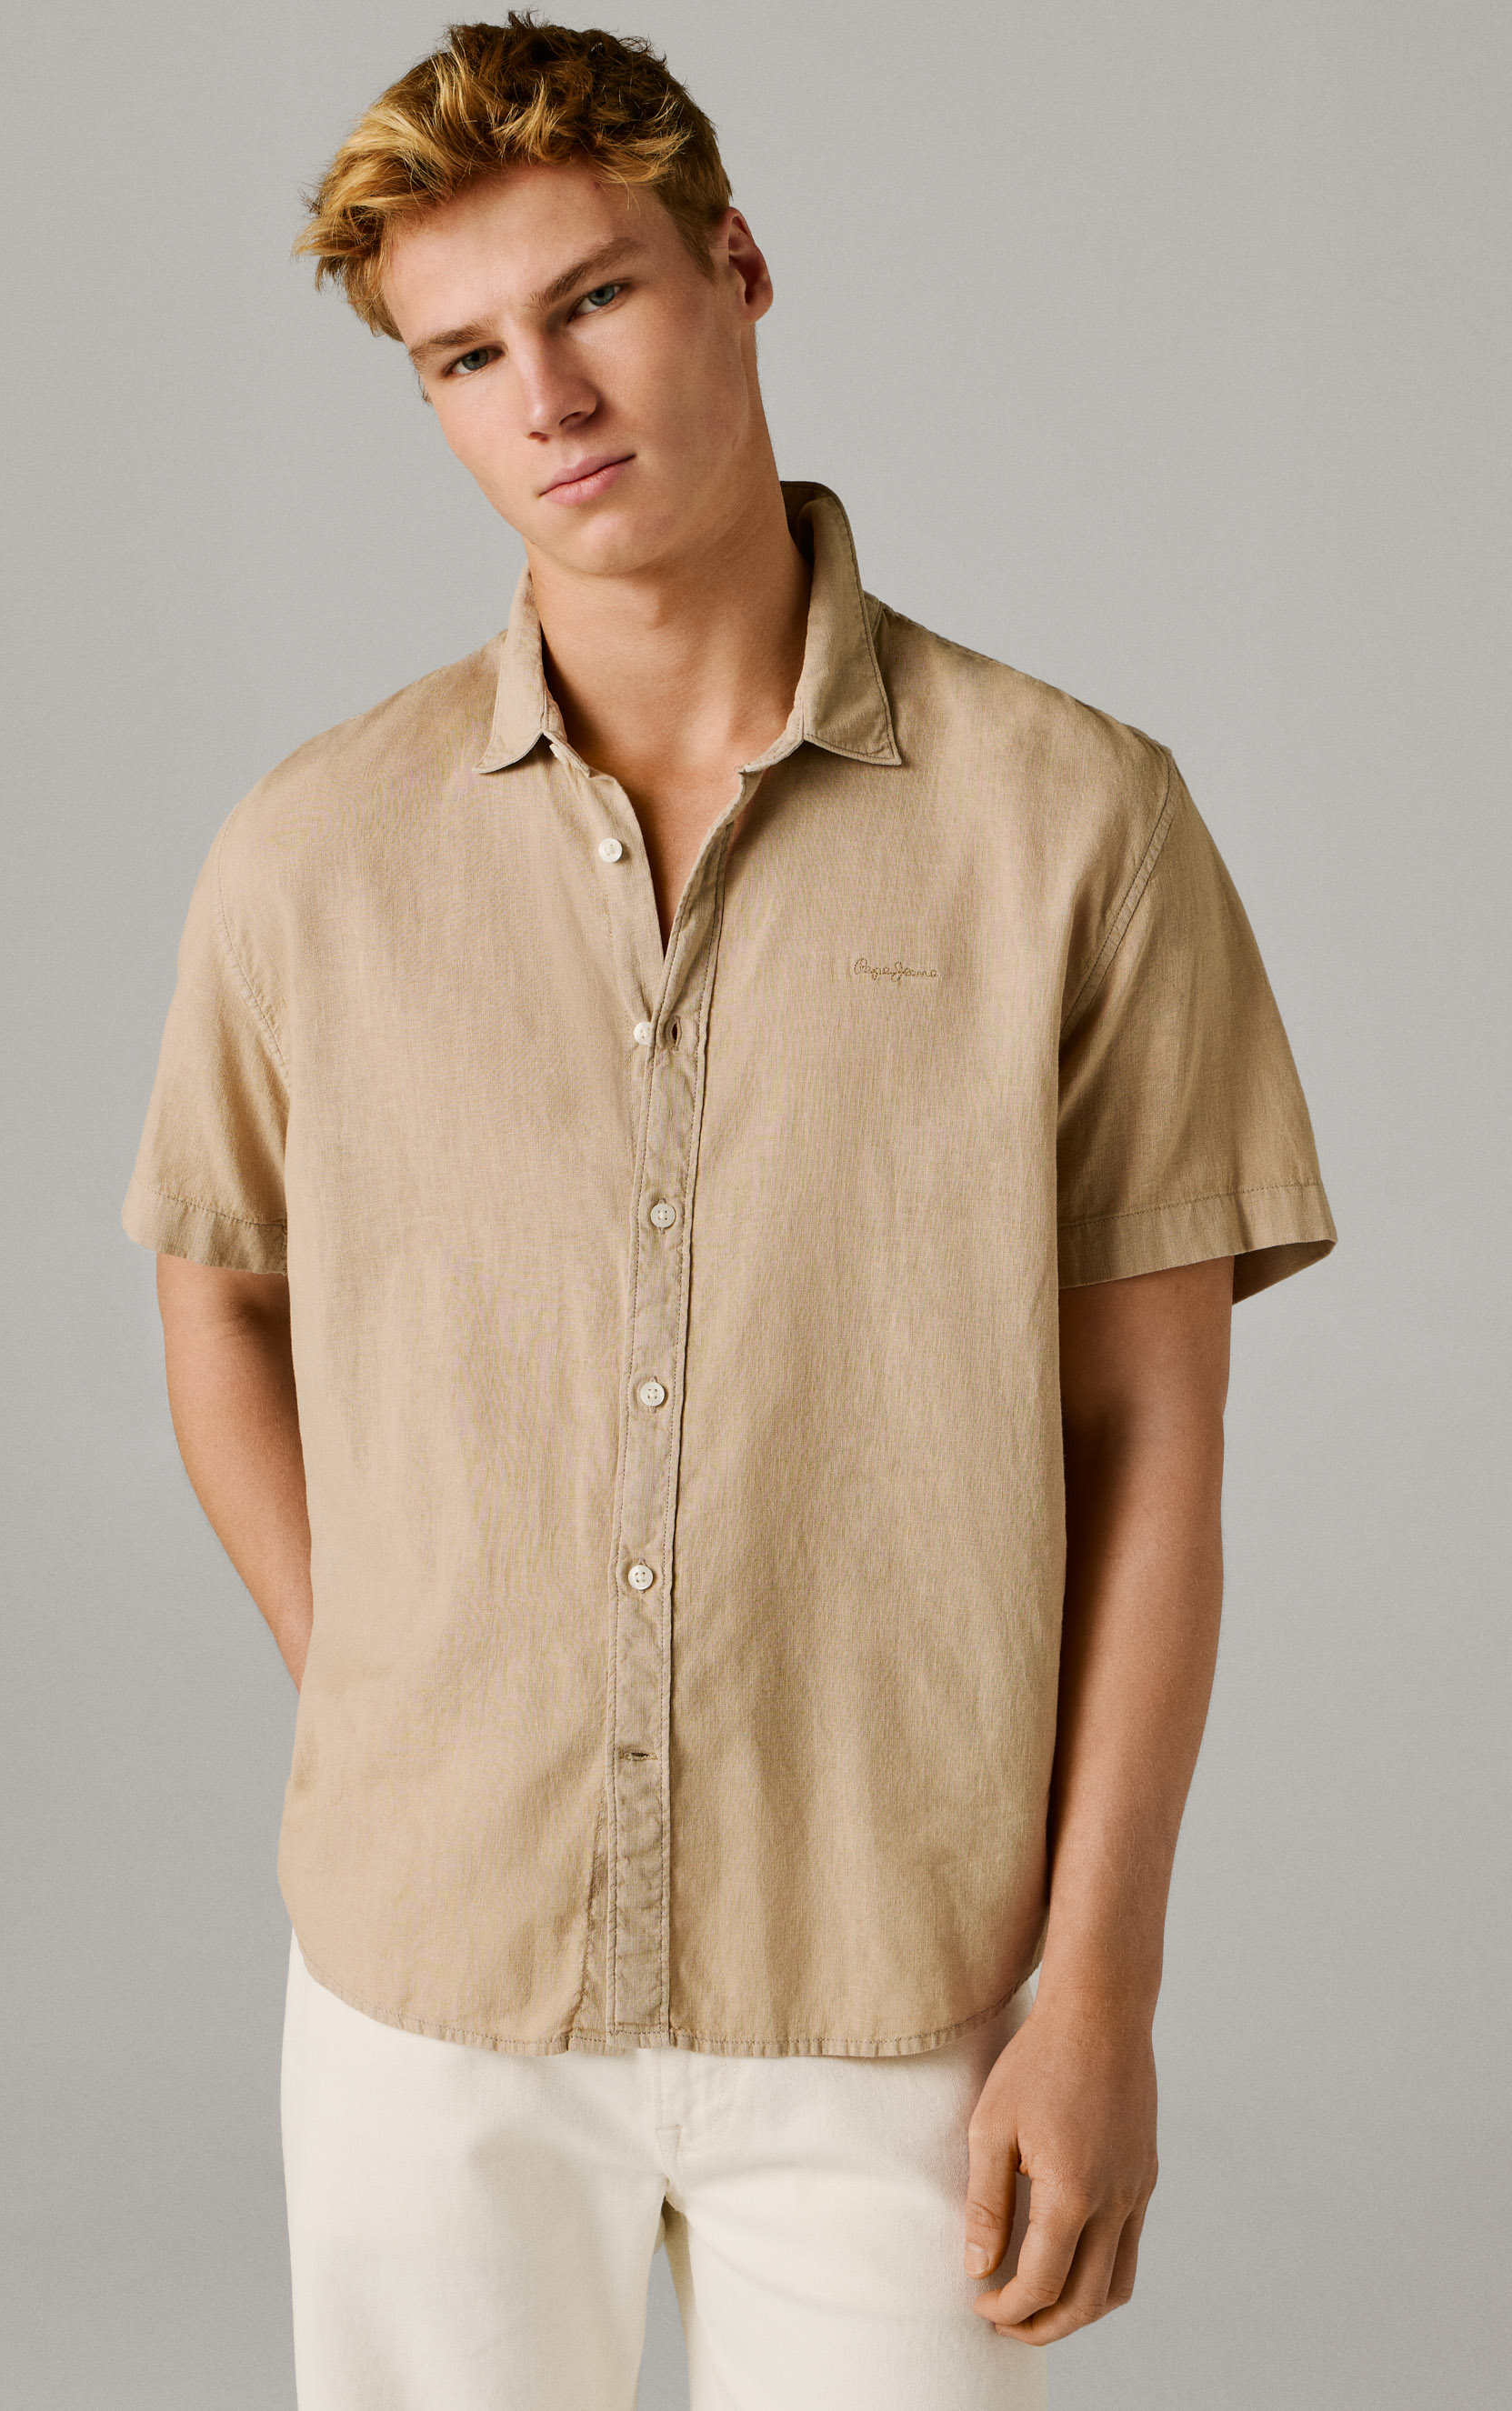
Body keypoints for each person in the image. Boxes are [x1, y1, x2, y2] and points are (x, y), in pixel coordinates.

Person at [122, 15, 1336, 2407]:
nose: (549, 399)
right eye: (466, 356)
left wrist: (1102, 1985)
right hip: (429, 1983)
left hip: (899, 1981)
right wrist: (377, 1689)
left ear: (737, 270)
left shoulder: (1075, 825)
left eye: (594, 298)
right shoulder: (316, 850)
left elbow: (1155, 1445)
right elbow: (216, 1296)